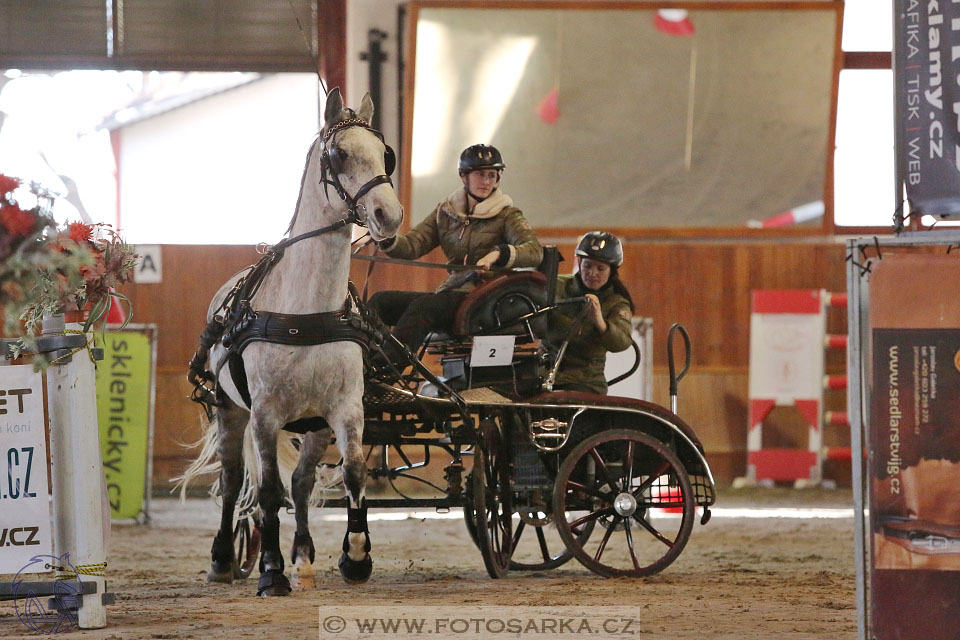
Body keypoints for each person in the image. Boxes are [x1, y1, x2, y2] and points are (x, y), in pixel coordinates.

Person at [367, 144, 543, 367]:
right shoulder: (446, 211)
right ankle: (362, 361)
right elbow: (412, 245)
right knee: (380, 301)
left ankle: (386, 368)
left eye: (492, 176)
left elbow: (534, 251)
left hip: (484, 297)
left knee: (425, 305)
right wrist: (386, 237)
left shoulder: (508, 215)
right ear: (463, 176)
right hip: (451, 293)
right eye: (480, 175)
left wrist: (498, 254)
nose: (486, 182)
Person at [548, 231, 634, 394]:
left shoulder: (617, 303)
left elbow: (622, 342)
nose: (592, 273)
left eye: (600, 268)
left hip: (585, 381)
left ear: (612, 271)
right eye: (587, 266)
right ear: (579, 263)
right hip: (543, 372)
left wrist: (600, 322)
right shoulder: (557, 286)